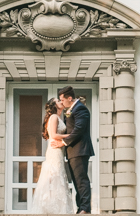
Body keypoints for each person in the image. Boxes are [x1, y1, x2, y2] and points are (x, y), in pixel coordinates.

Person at [50, 86, 94, 214]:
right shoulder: (71, 109)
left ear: (70, 98)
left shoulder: (80, 109)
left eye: (62, 100)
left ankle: (85, 209)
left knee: (81, 180)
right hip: (72, 151)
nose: (61, 102)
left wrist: (63, 142)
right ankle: (81, 208)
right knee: (76, 181)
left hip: (79, 150)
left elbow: (78, 129)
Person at [30, 97, 73, 214]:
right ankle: (52, 209)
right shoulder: (54, 117)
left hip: (59, 150)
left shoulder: (59, 117)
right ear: (54, 105)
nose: (61, 102)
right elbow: (53, 135)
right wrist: (71, 136)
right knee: (55, 176)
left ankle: (58, 208)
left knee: (58, 177)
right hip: (54, 150)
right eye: (58, 101)